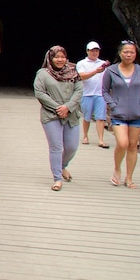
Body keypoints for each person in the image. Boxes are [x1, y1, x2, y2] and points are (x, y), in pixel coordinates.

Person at [101, 40, 140, 189]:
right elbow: (104, 90)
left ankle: (129, 177)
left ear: (135, 54)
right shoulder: (111, 70)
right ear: (120, 53)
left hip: (137, 114)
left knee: (132, 146)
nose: (129, 54)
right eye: (126, 51)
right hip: (119, 113)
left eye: (132, 52)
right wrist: (112, 104)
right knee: (122, 143)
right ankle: (117, 168)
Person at [33, 45, 83, 191]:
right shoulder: (43, 73)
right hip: (51, 115)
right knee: (56, 147)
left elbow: (79, 90)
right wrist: (58, 108)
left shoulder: (73, 71)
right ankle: (57, 178)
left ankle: (62, 166)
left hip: (71, 113)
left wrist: (68, 107)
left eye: (62, 56)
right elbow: (40, 93)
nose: (60, 60)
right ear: (50, 58)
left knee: (72, 147)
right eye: (57, 57)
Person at [76, 41, 111, 148]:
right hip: (86, 93)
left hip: (100, 94)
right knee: (87, 117)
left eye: (96, 50)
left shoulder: (102, 64)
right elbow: (81, 76)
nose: (95, 53)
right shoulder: (81, 63)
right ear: (87, 51)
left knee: (101, 117)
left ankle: (101, 139)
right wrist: (96, 71)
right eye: (92, 51)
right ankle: (85, 136)